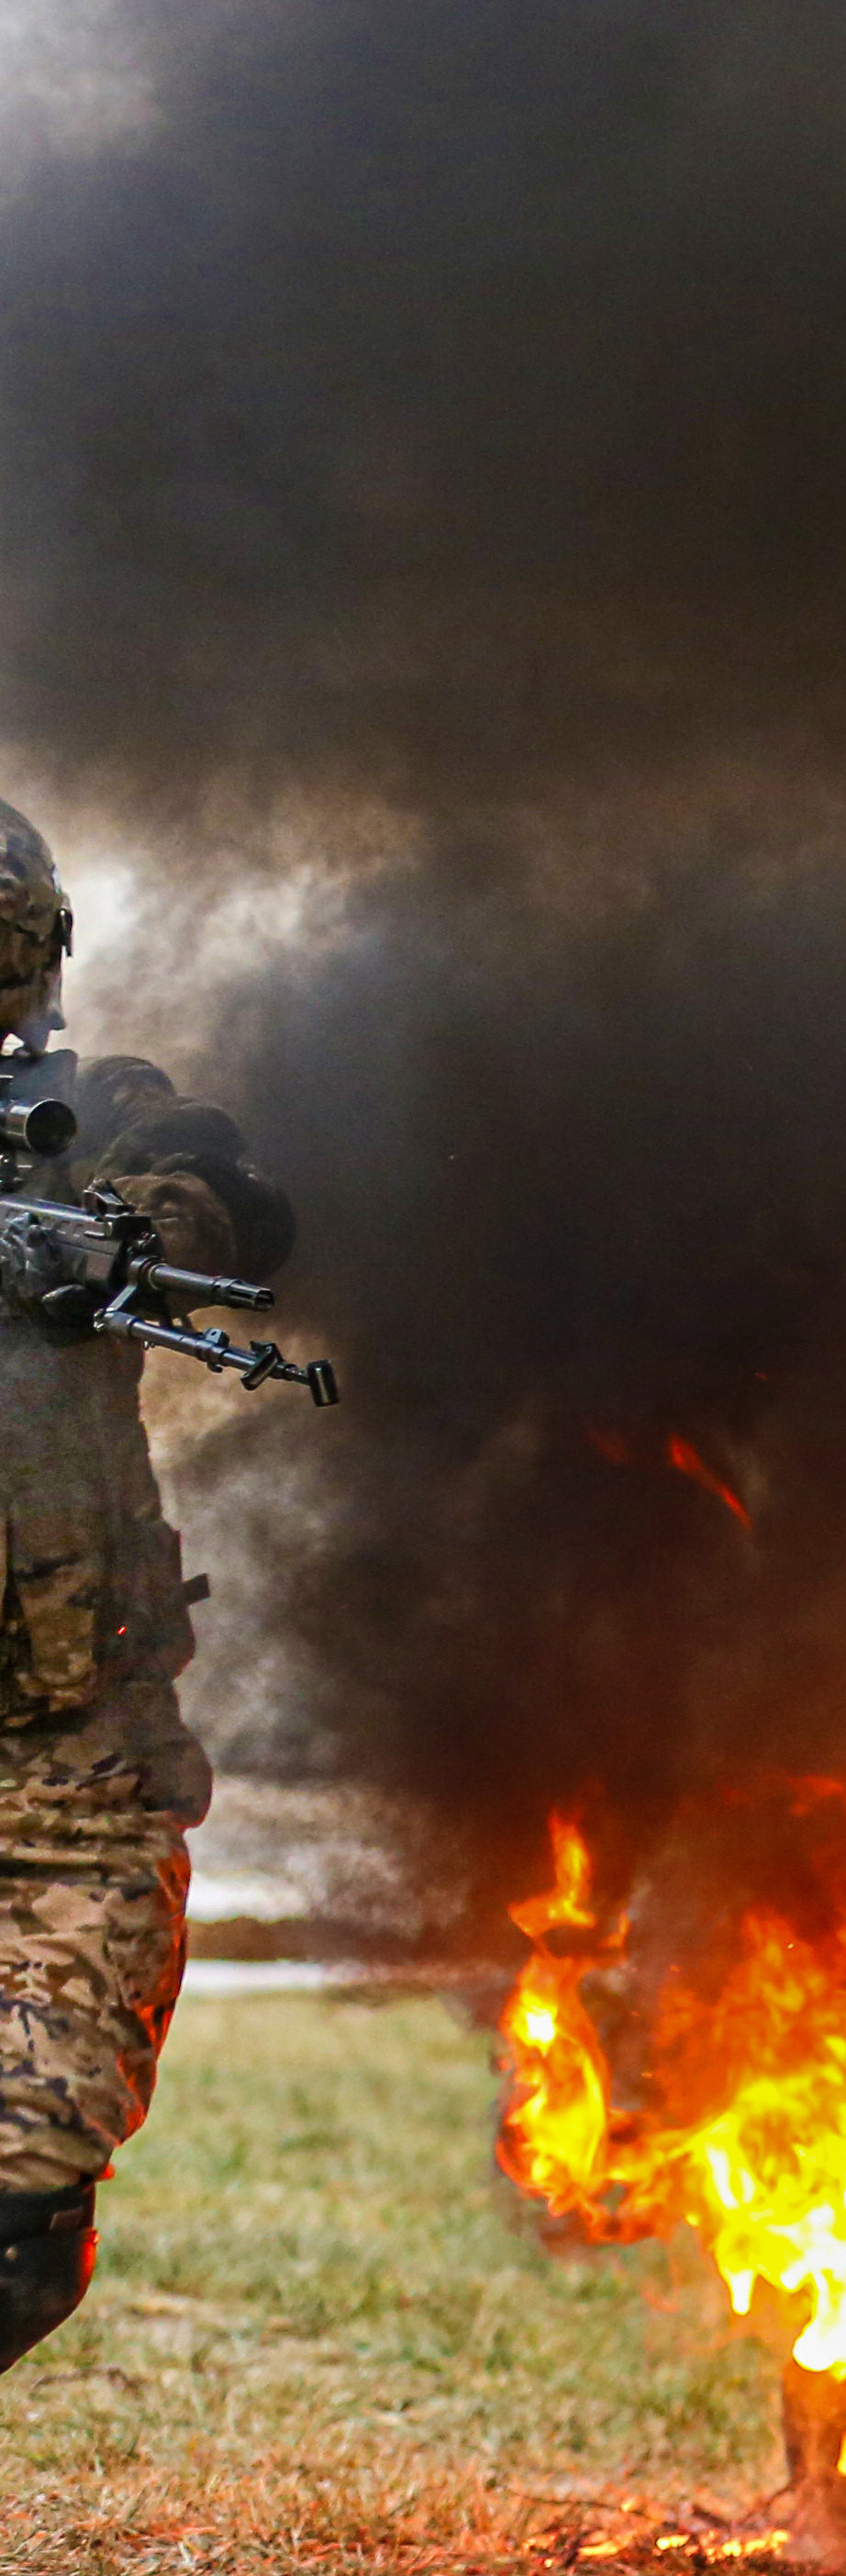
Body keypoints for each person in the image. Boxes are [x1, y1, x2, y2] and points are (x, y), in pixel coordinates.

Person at [0, 805, 295, 2377]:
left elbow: (235, 1190)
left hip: (69, 1760)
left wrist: (130, 1231)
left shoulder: (90, 1117)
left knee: (19, 2233)